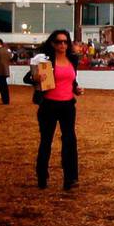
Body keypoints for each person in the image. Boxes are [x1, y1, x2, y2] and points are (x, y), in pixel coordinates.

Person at [33, 29, 84, 190]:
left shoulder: (72, 59)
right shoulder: (45, 61)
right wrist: (35, 77)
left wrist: (76, 89)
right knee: (46, 142)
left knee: (70, 141)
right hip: (49, 105)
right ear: (53, 44)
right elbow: (28, 78)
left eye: (65, 42)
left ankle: (70, 178)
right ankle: (42, 175)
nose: (62, 44)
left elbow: (72, 79)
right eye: (59, 42)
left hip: (68, 105)